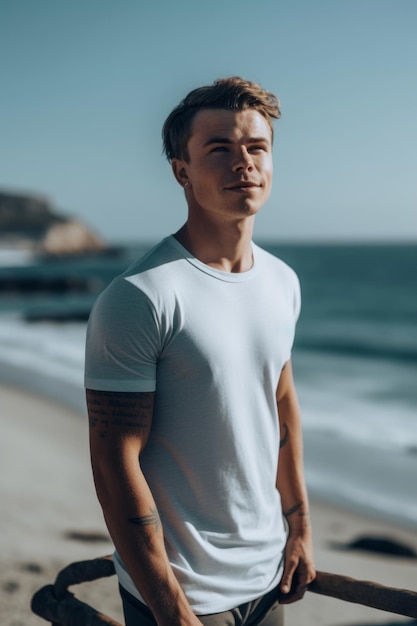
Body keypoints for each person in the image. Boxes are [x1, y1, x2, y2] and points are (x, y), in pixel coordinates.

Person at [84, 76, 315, 626]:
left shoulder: (282, 282)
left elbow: (281, 406)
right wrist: (169, 608)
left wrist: (300, 527)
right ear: (180, 170)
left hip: (267, 579)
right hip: (185, 593)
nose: (245, 163)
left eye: (257, 147)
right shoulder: (142, 296)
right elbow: (114, 461)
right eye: (220, 149)